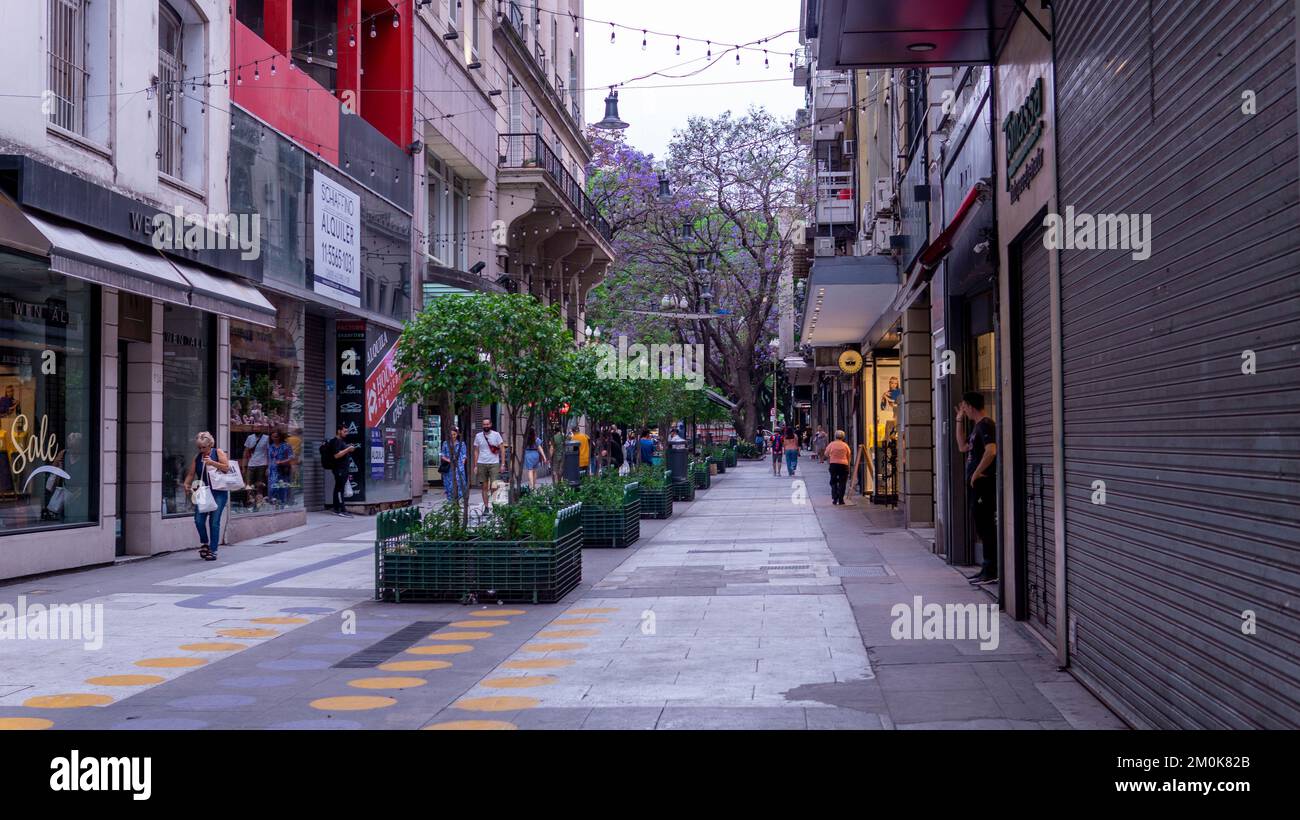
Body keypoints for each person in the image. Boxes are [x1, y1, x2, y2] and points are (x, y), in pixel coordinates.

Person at [956, 391, 998, 584]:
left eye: (964, 406)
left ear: (970, 405)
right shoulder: (976, 428)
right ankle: (986, 568)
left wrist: (976, 473)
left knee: (986, 525)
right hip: (976, 485)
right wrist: (958, 421)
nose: (963, 409)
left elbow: (992, 450)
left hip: (983, 484)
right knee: (981, 524)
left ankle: (991, 570)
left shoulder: (986, 424)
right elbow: (962, 447)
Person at [183, 431, 232, 561]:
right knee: (198, 520)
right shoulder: (198, 457)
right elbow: (191, 473)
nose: (201, 450)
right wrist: (186, 484)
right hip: (203, 491)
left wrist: (212, 462)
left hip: (218, 491)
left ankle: (213, 550)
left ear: (210, 444)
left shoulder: (218, 452)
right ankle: (205, 543)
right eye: (199, 447)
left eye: (204, 447)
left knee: (214, 521)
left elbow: (227, 468)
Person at [473, 417, 504, 510]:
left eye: (487, 424)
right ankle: (486, 507)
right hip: (481, 463)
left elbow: (502, 449)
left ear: (491, 425)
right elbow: (476, 451)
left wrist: (502, 464)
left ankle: (494, 505)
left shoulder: (496, 435)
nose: (486, 426)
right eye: (484, 424)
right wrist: (475, 465)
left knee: (494, 486)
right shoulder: (478, 436)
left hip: (494, 463)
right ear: (482, 425)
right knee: (484, 487)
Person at [327, 424, 358, 517]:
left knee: (338, 488)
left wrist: (347, 448)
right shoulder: (336, 441)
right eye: (344, 431)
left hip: (342, 469)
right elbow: (336, 455)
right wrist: (348, 449)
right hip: (339, 469)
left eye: (347, 431)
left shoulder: (340, 441)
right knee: (340, 489)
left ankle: (336, 508)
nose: (346, 433)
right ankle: (342, 509)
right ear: (338, 431)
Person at [242, 428, 271, 507]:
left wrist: (268, 467)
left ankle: (259, 502)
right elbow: (246, 451)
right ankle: (250, 501)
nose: (257, 428)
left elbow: (269, 453)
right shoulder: (250, 437)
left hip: (262, 464)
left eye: (259, 427)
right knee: (248, 484)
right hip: (251, 464)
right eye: (255, 427)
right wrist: (244, 466)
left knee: (260, 485)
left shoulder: (266, 438)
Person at [267, 429, 295, 507]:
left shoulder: (286, 445)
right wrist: (267, 468)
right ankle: (273, 505)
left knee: (282, 488)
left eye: (276, 437)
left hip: (283, 470)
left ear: (280, 437)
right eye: (272, 437)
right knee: (272, 488)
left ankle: (282, 504)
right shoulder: (270, 446)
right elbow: (269, 458)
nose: (274, 438)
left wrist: (282, 462)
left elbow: (291, 457)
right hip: (273, 470)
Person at [825, 430, 852, 505]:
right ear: (843, 437)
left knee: (833, 481)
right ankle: (841, 499)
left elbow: (826, 454)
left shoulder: (832, 444)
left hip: (833, 464)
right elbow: (849, 455)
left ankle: (834, 498)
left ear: (835, 436)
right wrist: (848, 465)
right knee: (842, 482)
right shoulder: (845, 445)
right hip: (844, 465)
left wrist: (831, 457)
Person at [440, 428, 467, 501]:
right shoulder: (445, 443)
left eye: (454, 434)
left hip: (459, 466)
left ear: (457, 434)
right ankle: (450, 499)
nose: (453, 436)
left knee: (460, 483)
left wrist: (462, 463)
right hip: (449, 466)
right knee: (449, 483)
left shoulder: (461, 443)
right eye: (451, 434)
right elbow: (442, 455)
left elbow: (464, 455)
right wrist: (448, 460)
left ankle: (458, 499)